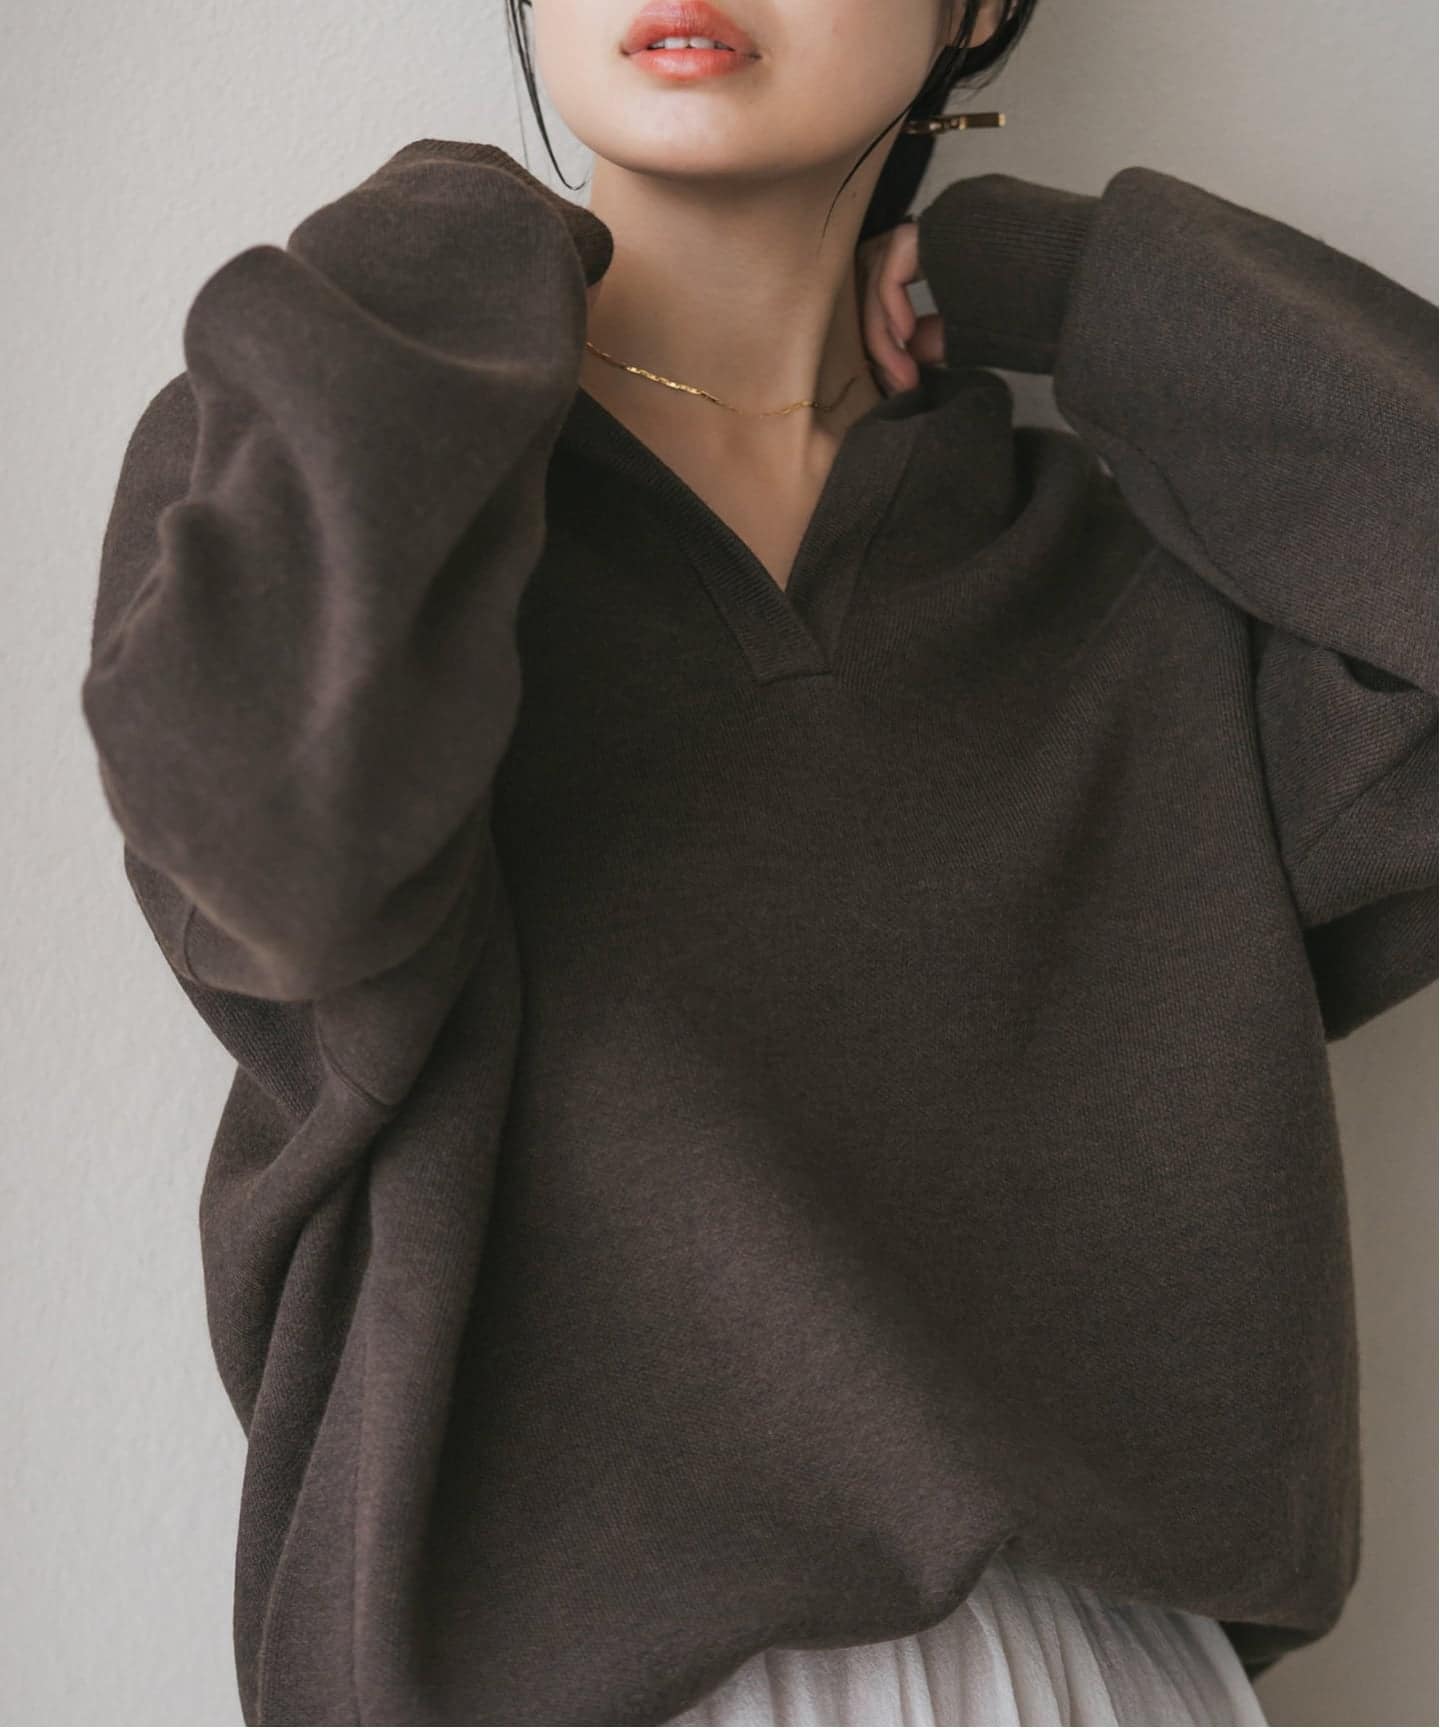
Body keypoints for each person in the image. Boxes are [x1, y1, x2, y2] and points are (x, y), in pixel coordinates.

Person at [80, 1, 1435, 1723]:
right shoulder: (357, 474)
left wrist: (1065, 285)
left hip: (1086, 1680)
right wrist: (457, 248)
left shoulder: (1132, 586)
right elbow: (271, 840)